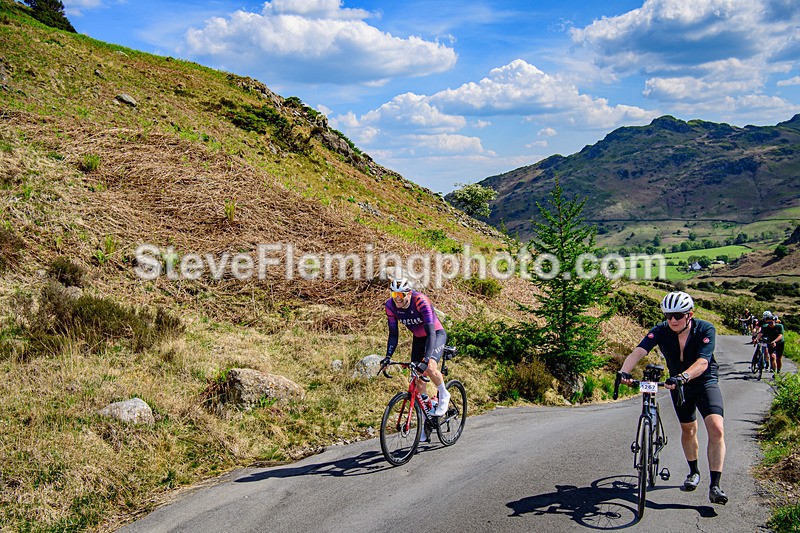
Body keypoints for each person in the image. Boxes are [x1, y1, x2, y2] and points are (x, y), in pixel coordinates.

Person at [619, 291, 728, 505]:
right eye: (668, 315)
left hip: (703, 382)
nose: (673, 320)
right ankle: (693, 472)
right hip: (677, 385)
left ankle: (715, 486)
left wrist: (683, 377)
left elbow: (703, 362)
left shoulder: (705, 329)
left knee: (716, 428)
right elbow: (639, 351)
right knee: (689, 430)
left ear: (689, 315)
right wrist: (624, 372)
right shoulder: (661, 330)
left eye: (678, 315)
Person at [380, 278, 450, 429]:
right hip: (418, 338)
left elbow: (431, 333)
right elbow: (393, 334)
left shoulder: (420, 301)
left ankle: (444, 394)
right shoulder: (390, 306)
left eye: (401, 295)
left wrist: (426, 360)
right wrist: (388, 357)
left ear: (409, 293)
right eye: (394, 294)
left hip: (435, 335)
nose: (397, 299)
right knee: (417, 380)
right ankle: (427, 418)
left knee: (429, 367)